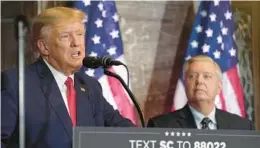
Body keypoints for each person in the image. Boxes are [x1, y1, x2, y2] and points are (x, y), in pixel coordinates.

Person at [1, 7, 134, 148]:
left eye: (79, 34)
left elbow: (124, 130)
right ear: (44, 47)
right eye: (65, 36)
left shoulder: (90, 86)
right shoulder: (16, 84)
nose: (76, 43)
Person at [147, 55, 254, 130]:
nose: (199, 81)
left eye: (206, 76)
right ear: (185, 84)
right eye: (192, 76)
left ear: (218, 87)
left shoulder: (243, 127)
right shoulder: (160, 126)